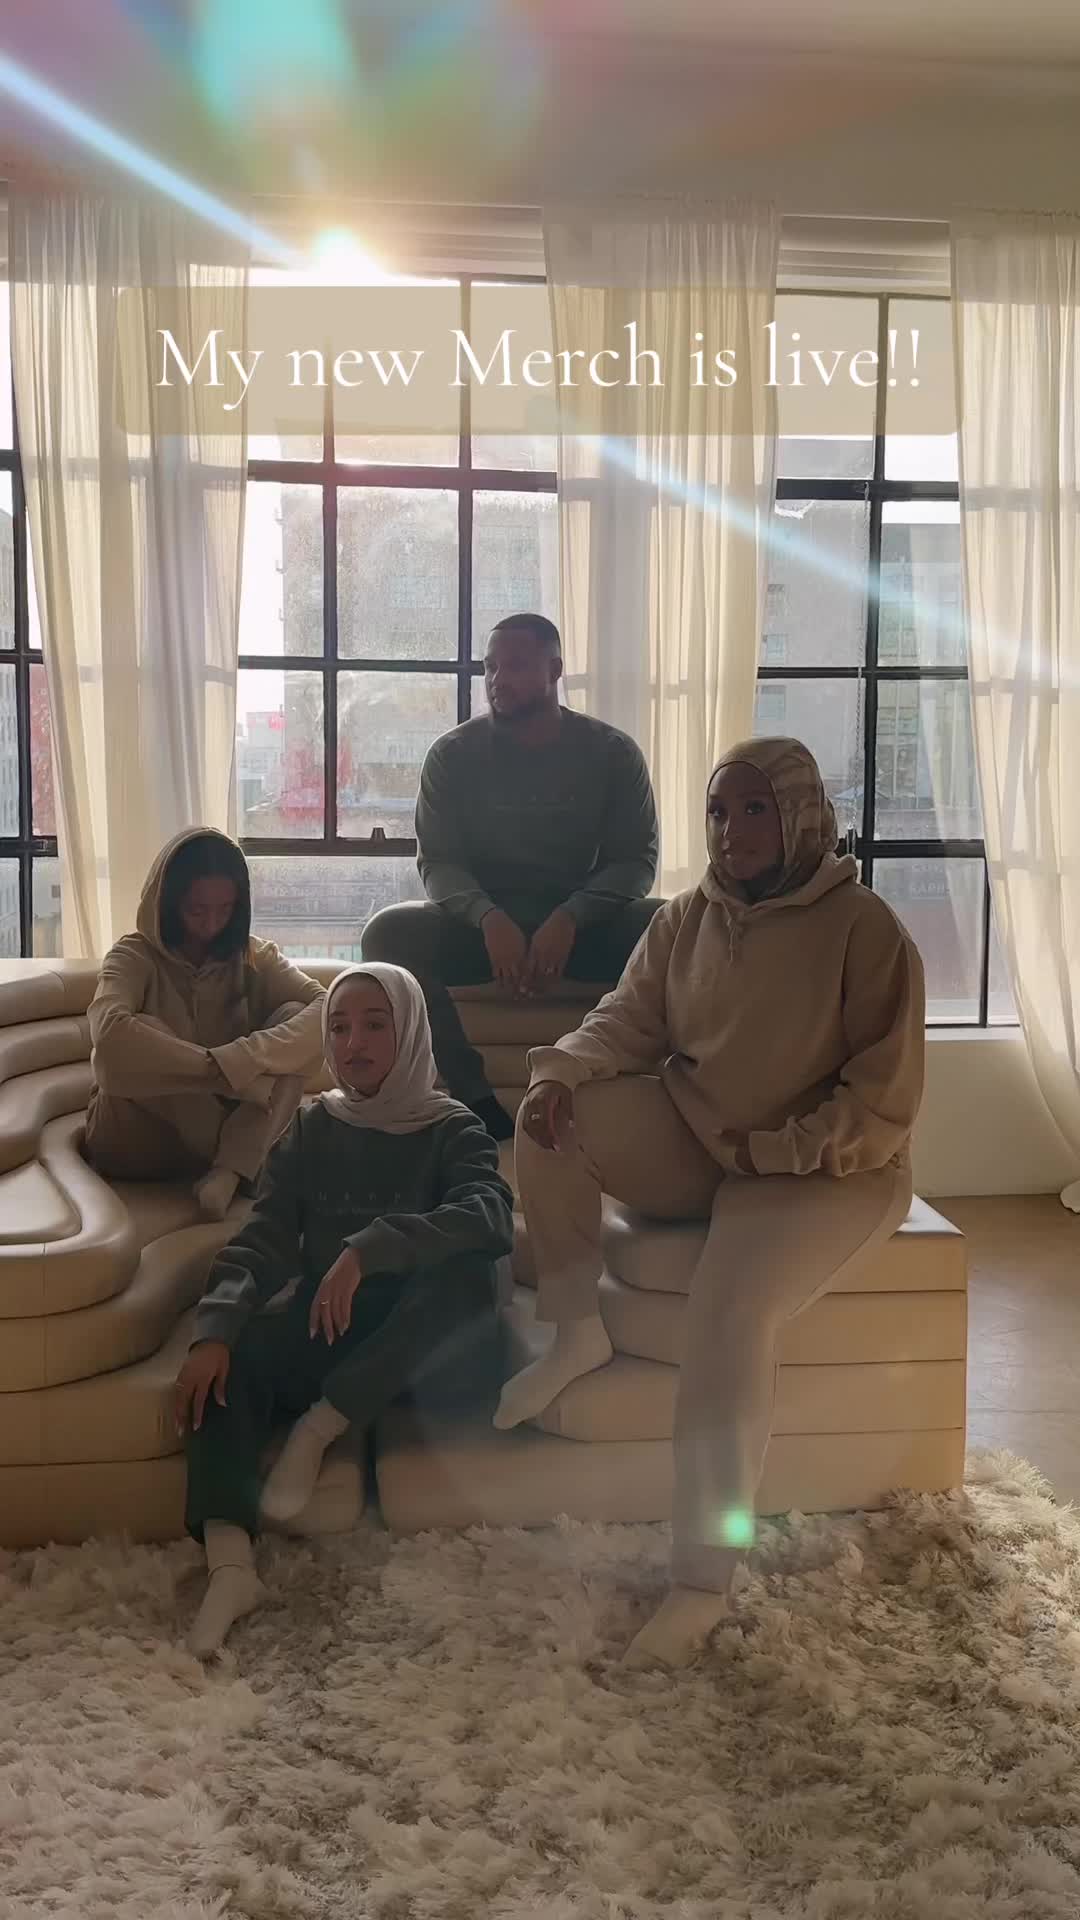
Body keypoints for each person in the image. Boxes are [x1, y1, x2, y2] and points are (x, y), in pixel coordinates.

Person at [496, 737, 926, 1668]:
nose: (732, 830)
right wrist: (561, 1070)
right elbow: (627, 1018)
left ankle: (702, 1577)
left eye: (755, 808)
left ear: (801, 814)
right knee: (548, 1119)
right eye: (719, 811)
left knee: (728, 1317)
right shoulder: (687, 919)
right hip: (708, 1141)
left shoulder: (866, 930)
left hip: (826, 1171)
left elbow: (882, 1101)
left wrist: (774, 1152)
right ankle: (576, 1328)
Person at [175, 962, 515, 1657]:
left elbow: (489, 1215)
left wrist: (371, 1246)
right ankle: (231, 1566)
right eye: (338, 1027)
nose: (353, 1042)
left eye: (374, 1024)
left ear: (409, 1031)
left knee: (467, 1279)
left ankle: (321, 1426)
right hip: (336, 1331)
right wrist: (214, 1330)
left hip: (432, 1359)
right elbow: (264, 1239)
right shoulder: (311, 1127)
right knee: (223, 1360)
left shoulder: (454, 1127)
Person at [361, 613, 662, 1141]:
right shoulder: (452, 755)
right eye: (491, 667)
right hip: (480, 930)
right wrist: (487, 918)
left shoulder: (612, 753)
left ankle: (621, 1090)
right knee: (387, 934)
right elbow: (438, 862)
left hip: (580, 929)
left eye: (516, 666)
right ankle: (475, 1100)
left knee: (669, 926)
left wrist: (571, 917)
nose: (498, 680)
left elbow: (636, 860)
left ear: (555, 670)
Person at [84, 827, 325, 1219]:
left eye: (225, 909)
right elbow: (108, 1037)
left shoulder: (254, 956)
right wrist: (220, 1073)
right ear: (168, 902)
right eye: (196, 910)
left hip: (223, 1136)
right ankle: (245, 1163)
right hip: (135, 1140)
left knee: (295, 1019)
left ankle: (230, 1170)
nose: (211, 923)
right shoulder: (132, 955)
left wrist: (244, 1057)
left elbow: (325, 1008)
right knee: (142, 1033)